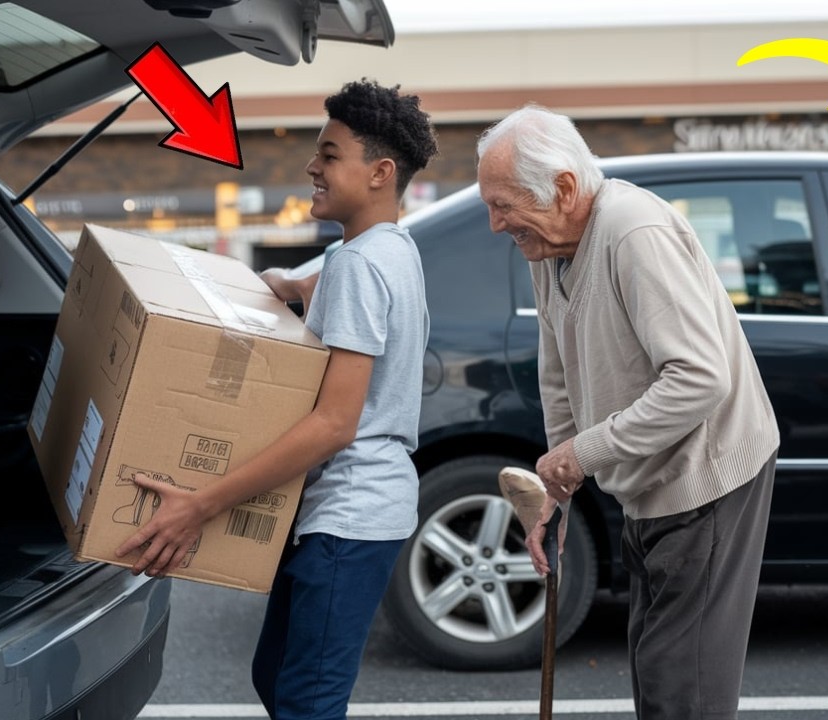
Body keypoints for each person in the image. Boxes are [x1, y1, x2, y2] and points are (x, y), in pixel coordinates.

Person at [115, 78, 438, 720]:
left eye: (329, 154)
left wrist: (200, 505)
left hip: (349, 512)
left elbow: (335, 424)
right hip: (351, 508)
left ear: (380, 173)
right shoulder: (386, 250)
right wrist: (284, 283)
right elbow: (316, 284)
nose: (312, 166)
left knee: (306, 703)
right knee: (277, 677)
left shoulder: (360, 265)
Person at [476, 104, 779, 720]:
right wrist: (557, 493)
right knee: (655, 671)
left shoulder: (634, 231)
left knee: (681, 689)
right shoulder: (549, 247)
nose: (494, 223)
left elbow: (700, 378)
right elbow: (558, 376)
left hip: (706, 476)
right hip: (646, 482)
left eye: (503, 205)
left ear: (564, 188)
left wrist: (582, 454)